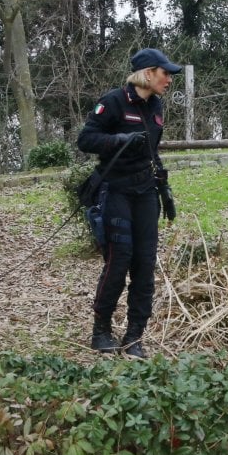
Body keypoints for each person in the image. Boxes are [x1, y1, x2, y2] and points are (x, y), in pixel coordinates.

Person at [76, 48, 181, 358]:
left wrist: (164, 189)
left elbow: (152, 149)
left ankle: (135, 336)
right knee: (119, 260)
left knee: (145, 264)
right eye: (165, 74)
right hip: (115, 191)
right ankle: (101, 331)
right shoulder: (113, 102)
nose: (169, 80)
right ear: (148, 73)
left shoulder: (157, 106)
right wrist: (119, 140)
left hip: (146, 192)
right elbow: (86, 139)